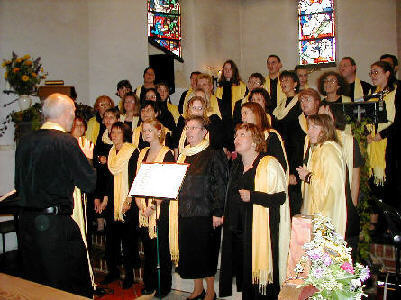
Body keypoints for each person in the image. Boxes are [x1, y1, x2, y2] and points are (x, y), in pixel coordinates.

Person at [15, 93, 96, 297]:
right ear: (66, 114)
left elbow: (19, 183)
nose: (74, 117)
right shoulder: (66, 142)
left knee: (36, 285)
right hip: (54, 226)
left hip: (26, 224)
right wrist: (87, 159)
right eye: (73, 112)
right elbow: (88, 183)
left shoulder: (25, 141)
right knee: (69, 286)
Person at [219, 123, 290, 299]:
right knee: (246, 282)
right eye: (236, 135)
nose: (236, 139)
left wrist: (254, 196)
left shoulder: (269, 164)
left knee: (260, 285)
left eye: (243, 135)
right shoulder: (236, 165)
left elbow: (281, 198)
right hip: (239, 233)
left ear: (255, 141)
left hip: (259, 234)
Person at [170, 115, 227, 300]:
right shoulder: (183, 155)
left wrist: (218, 212)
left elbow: (221, 184)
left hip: (205, 213)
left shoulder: (213, 153)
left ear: (204, 132)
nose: (190, 131)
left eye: (194, 128)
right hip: (185, 212)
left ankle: (210, 291)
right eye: (188, 128)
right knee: (191, 254)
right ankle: (198, 289)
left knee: (206, 253)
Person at [134, 119, 175, 297]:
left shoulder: (167, 154)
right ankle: (149, 283)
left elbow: (168, 184)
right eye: (144, 130)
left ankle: (162, 286)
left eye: (150, 130)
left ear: (159, 132)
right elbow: (137, 181)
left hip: (159, 208)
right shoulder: (143, 152)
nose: (146, 133)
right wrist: (140, 204)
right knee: (148, 250)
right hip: (143, 208)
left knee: (161, 250)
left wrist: (152, 205)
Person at [318, 104, 362, 259]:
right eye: (319, 116)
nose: (322, 120)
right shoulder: (313, 142)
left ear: (334, 118)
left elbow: (355, 177)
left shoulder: (349, 141)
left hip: (345, 203)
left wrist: (352, 205)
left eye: (326, 115)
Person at [101, 122, 138, 289]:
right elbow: (109, 180)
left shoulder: (132, 151)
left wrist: (129, 200)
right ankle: (113, 272)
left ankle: (129, 275)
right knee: (111, 242)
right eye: (113, 132)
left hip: (127, 202)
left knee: (128, 242)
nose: (115, 135)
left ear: (125, 134)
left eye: (118, 132)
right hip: (112, 205)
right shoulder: (110, 152)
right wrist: (105, 199)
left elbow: (134, 177)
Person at [297, 114, 347, 237]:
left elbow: (332, 187)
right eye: (309, 127)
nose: (309, 131)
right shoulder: (318, 149)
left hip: (326, 215)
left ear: (325, 130)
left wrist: (308, 177)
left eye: (314, 127)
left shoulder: (329, 150)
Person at [367, 61, 401, 231]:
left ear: (387, 73)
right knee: (375, 185)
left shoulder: (396, 91)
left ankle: (392, 225)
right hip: (373, 144)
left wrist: (382, 134)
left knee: (390, 183)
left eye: (376, 72)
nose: (373, 76)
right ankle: (375, 224)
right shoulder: (373, 94)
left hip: (390, 144)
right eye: (371, 73)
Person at [275, 71, 305, 216]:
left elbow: (302, 134)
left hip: (296, 153)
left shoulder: (300, 103)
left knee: (295, 194)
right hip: (284, 152)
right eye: (282, 81)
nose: (283, 83)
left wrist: (293, 169)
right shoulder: (281, 105)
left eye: (287, 80)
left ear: (295, 83)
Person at [241, 102, 288, 174]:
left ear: (256, 114)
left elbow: (280, 164)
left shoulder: (271, 136)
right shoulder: (244, 139)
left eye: (245, 113)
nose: (242, 117)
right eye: (241, 114)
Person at [215, 60, 247, 150]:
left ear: (234, 70)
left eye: (230, 69)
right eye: (225, 69)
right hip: (223, 122)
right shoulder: (220, 87)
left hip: (236, 120)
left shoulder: (241, 85)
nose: (227, 71)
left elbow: (244, 103)